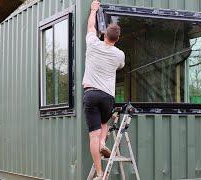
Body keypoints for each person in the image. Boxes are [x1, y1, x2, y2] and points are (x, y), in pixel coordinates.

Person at [82, 0, 125, 179]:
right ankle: (102, 143)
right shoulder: (119, 54)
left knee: (93, 134)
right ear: (117, 39)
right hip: (107, 96)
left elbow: (90, 25)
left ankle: (100, 174)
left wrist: (93, 10)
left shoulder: (93, 43)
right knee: (104, 124)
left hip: (90, 93)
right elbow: (121, 66)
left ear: (104, 34)